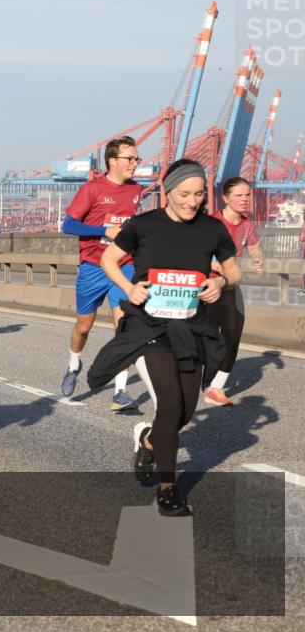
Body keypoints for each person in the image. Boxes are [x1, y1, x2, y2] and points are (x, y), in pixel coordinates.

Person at [87, 159, 240, 516]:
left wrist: (220, 282)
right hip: (149, 327)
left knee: (185, 411)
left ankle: (150, 440)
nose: (192, 201)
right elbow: (109, 259)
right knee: (169, 405)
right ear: (167, 191)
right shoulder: (143, 225)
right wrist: (129, 288)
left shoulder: (212, 228)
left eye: (198, 194)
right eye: (184, 194)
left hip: (192, 328)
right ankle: (168, 488)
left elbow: (234, 270)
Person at [60, 136, 143, 410]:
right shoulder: (92, 189)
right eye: (130, 158)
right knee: (84, 326)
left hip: (124, 264)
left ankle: (120, 393)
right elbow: (68, 225)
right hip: (93, 266)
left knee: (124, 326)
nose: (135, 163)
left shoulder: (136, 190)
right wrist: (103, 230)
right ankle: (74, 365)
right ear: (113, 161)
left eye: (137, 159)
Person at [204, 177, 265, 405]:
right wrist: (213, 264)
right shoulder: (212, 222)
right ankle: (198, 376)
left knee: (233, 333)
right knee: (207, 336)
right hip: (207, 284)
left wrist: (257, 258)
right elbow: (195, 250)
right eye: (239, 195)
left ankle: (216, 388)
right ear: (226, 198)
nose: (244, 199)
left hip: (229, 284)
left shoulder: (247, 224)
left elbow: (254, 246)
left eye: (247, 195)